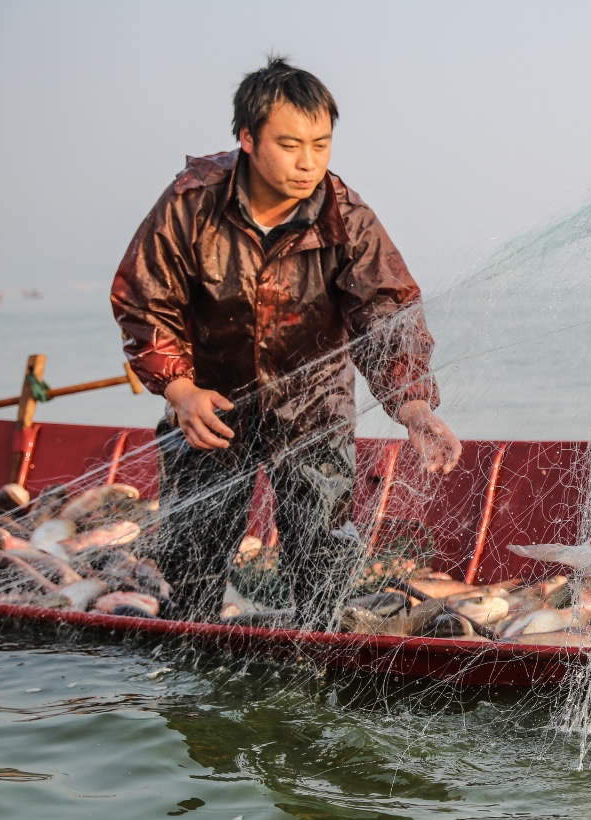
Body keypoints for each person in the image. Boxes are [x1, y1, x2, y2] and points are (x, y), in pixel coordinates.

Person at [111, 56, 460, 628]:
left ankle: (312, 679)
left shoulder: (343, 214)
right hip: (210, 410)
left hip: (313, 408)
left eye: (321, 145)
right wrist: (178, 390)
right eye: (291, 144)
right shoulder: (191, 203)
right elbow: (144, 299)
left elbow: (386, 311)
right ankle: (190, 677)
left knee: (322, 569)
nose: (308, 163)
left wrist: (414, 406)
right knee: (190, 563)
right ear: (247, 137)